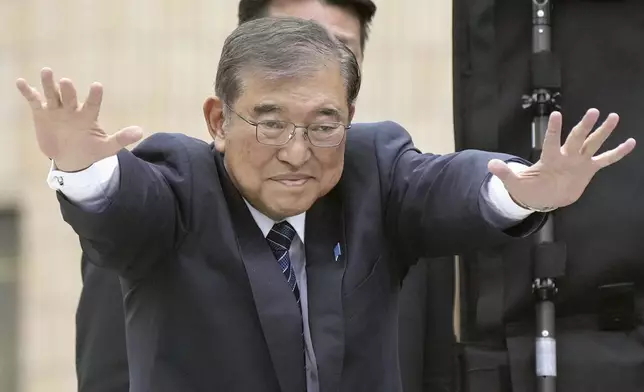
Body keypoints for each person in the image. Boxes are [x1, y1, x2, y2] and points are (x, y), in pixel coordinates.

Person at [16, 16, 634, 392]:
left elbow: (443, 187)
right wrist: (83, 168)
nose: (296, 152)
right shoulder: (178, 180)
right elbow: (123, 209)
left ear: (350, 119)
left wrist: (522, 190)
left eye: (322, 124)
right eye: (269, 122)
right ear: (217, 120)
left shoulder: (372, 166)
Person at [75, 1, 457, 391]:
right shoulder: (161, 207)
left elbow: (436, 369)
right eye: (292, 36)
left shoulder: (397, 199)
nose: (307, 53)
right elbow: (110, 370)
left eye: (337, 46)